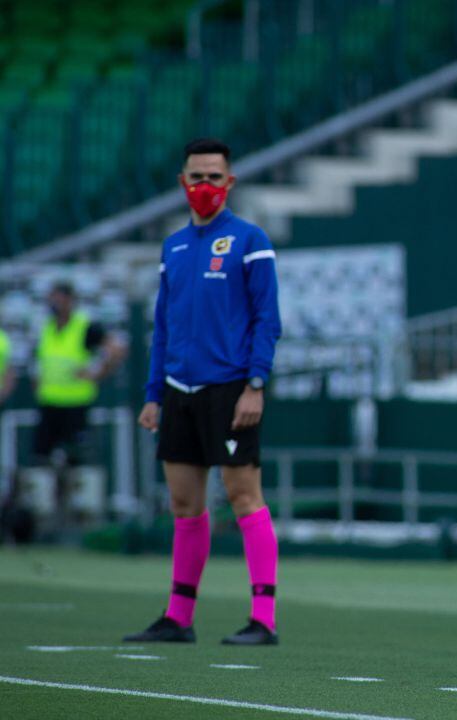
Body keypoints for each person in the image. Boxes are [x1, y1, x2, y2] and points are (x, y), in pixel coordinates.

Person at [124, 138, 283, 646]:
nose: (205, 186)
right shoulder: (172, 248)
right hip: (178, 391)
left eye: (215, 177)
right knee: (184, 503)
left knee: (242, 497)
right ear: (182, 182)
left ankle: (263, 619)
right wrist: (153, 394)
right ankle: (178, 617)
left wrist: (255, 384)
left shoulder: (250, 239)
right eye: (197, 177)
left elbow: (267, 319)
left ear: (230, 182)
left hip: (230, 389)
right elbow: (163, 328)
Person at [32, 282, 126, 466]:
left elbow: (116, 349)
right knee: (40, 456)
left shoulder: (84, 326)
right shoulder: (46, 326)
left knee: (74, 456)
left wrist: (98, 373)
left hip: (76, 402)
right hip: (48, 401)